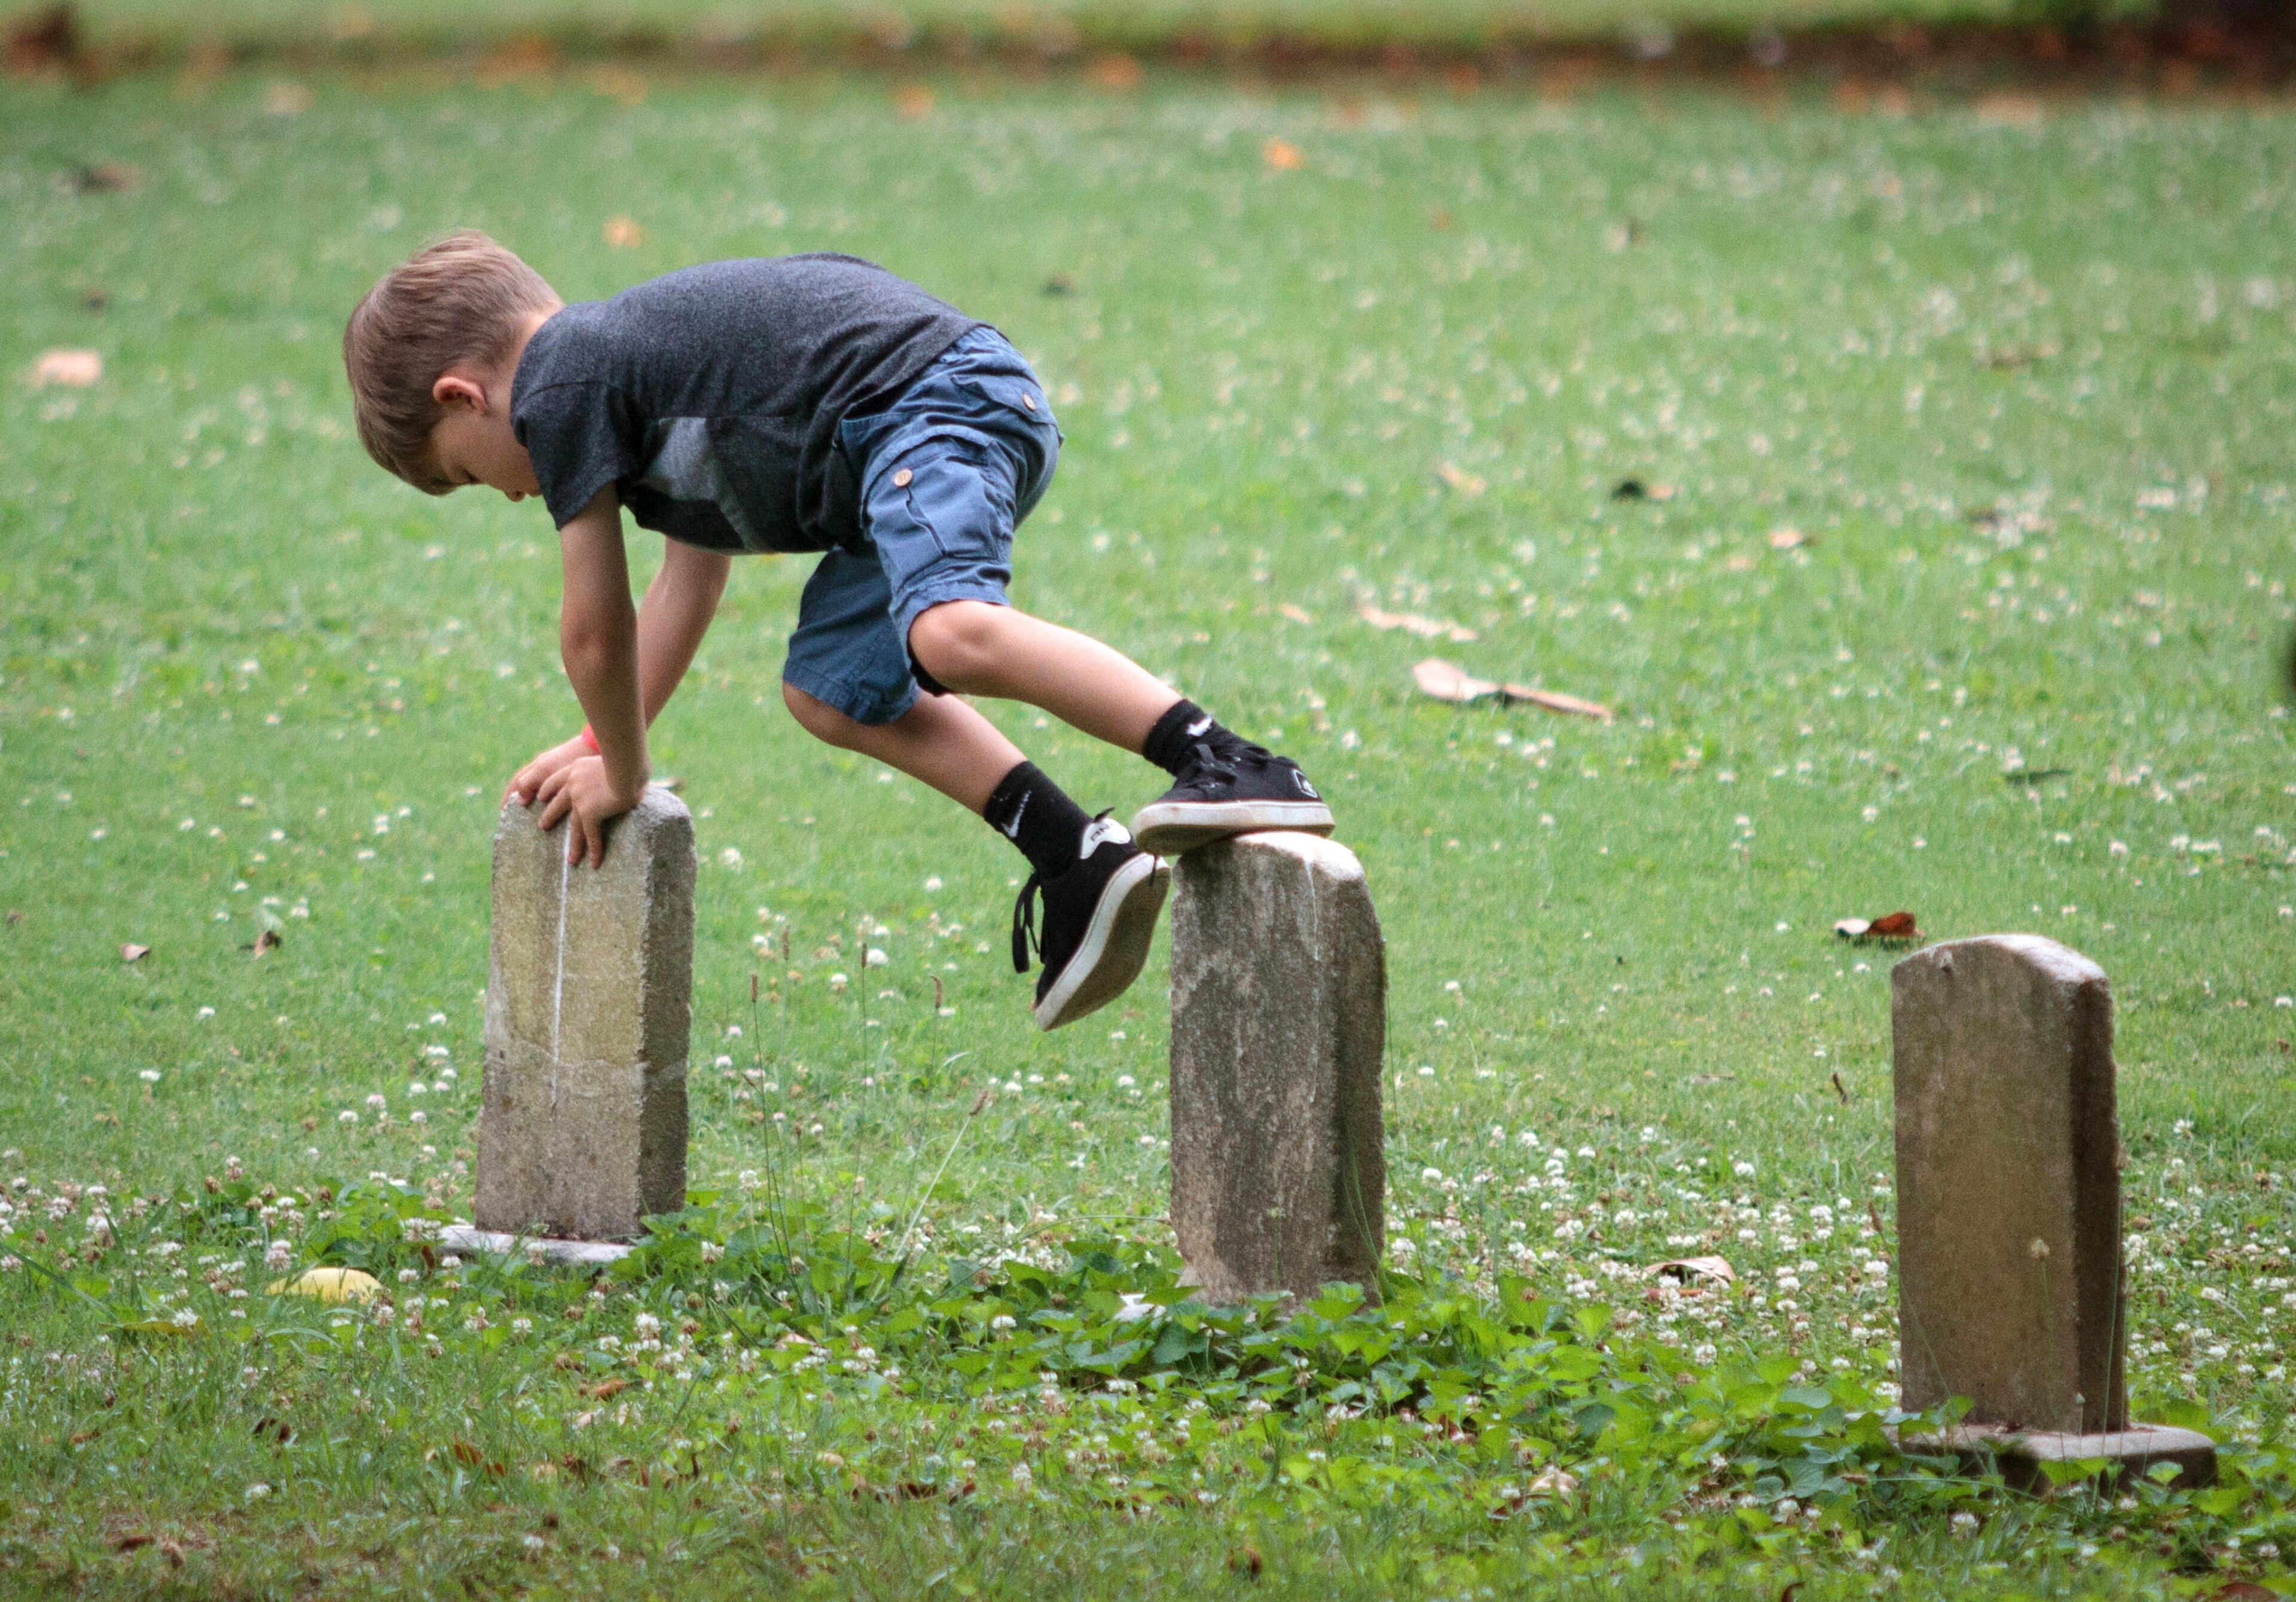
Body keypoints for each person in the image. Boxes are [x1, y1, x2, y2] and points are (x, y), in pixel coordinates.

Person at [343, 231, 1332, 1031]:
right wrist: (605, 744)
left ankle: (1233, 762)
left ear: (462, 397)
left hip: (931, 408)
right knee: (830, 687)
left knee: (948, 632)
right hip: (891, 457)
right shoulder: (631, 391)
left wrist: (628, 776)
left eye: (471, 472)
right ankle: (1076, 855)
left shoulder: (561, 384)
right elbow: (687, 586)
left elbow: (594, 631)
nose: (507, 492)